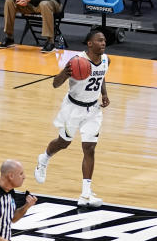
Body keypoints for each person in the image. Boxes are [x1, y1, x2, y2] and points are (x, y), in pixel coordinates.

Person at [34, 28, 111, 208]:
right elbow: (55, 84)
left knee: (89, 148)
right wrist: (65, 73)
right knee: (63, 142)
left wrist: (104, 94)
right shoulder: (77, 61)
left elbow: (102, 76)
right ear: (90, 43)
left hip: (93, 109)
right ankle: (44, 158)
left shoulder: (107, 59)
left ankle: (85, 194)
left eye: (104, 41)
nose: (103, 43)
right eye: (100, 40)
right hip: (73, 109)